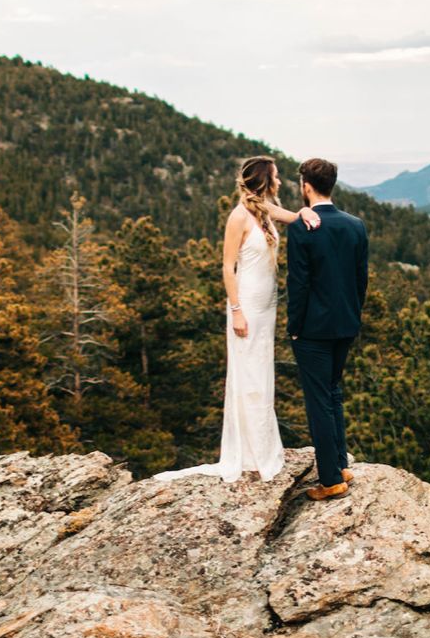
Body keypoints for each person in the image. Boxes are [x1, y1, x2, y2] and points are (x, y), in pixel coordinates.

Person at [154, 155, 320, 484]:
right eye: (275, 176)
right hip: (246, 305)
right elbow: (227, 266)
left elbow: (290, 216)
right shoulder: (239, 216)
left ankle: (263, 447)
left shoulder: (263, 209)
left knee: (262, 373)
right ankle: (249, 453)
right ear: (263, 179)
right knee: (248, 376)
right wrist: (236, 310)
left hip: (267, 304)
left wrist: (306, 212)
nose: (279, 181)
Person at [287, 157, 368, 501]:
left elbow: (299, 283)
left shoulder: (302, 228)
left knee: (319, 401)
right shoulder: (355, 225)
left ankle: (332, 478)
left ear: (306, 186)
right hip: (346, 323)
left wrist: (294, 325)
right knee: (333, 393)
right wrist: (353, 314)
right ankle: (340, 463)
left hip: (313, 329)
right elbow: (360, 279)